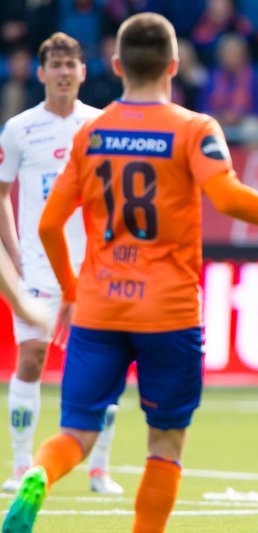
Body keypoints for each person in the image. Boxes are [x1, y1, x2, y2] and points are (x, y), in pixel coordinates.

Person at [2, 12, 258, 533]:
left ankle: (42, 475)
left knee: (75, 431)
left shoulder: (90, 132)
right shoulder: (193, 128)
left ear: (116, 65)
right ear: (174, 65)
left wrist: (72, 291)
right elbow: (228, 197)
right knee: (164, 442)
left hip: (100, 305)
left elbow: (50, 224)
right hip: (169, 312)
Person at [0, 32, 124, 495]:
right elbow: (2, 196)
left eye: (72, 64)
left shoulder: (101, 125)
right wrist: (14, 252)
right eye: (55, 64)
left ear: (84, 72)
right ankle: (18, 467)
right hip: (37, 266)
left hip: (94, 268)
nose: (64, 72)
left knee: (102, 366)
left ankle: (100, 470)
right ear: (41, 73)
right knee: (31, 358)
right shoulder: (18, 129)